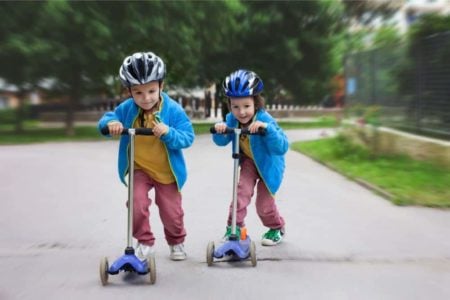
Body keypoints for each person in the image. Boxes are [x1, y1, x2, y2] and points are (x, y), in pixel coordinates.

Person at [98, 52, 194, 261]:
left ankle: (176, 241)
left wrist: (169, 133)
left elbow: (188, 137)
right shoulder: (127, 109)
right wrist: (110, 125)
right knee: (136, 203)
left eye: (151, 90)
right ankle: (144, 241)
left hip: (166, 171)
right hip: (139, 168)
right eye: (138, 92)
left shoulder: (173, 110)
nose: (146, 98)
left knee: (171, 212)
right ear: (129, 91)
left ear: (161, 85)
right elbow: (106, 120)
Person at [212, 69, 288, 246]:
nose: (241, 112)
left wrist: (267, 130)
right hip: (249, 163)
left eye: (246, 106)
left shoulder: (265, 119)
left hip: (269, 166)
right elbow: (221, 141)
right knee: (241, 193)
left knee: (264, 206)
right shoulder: (232, 119)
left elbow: (282, 146)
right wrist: (220, 130)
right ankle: (235, 227)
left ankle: (277, 227)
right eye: (235, 106)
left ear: (256, 102)